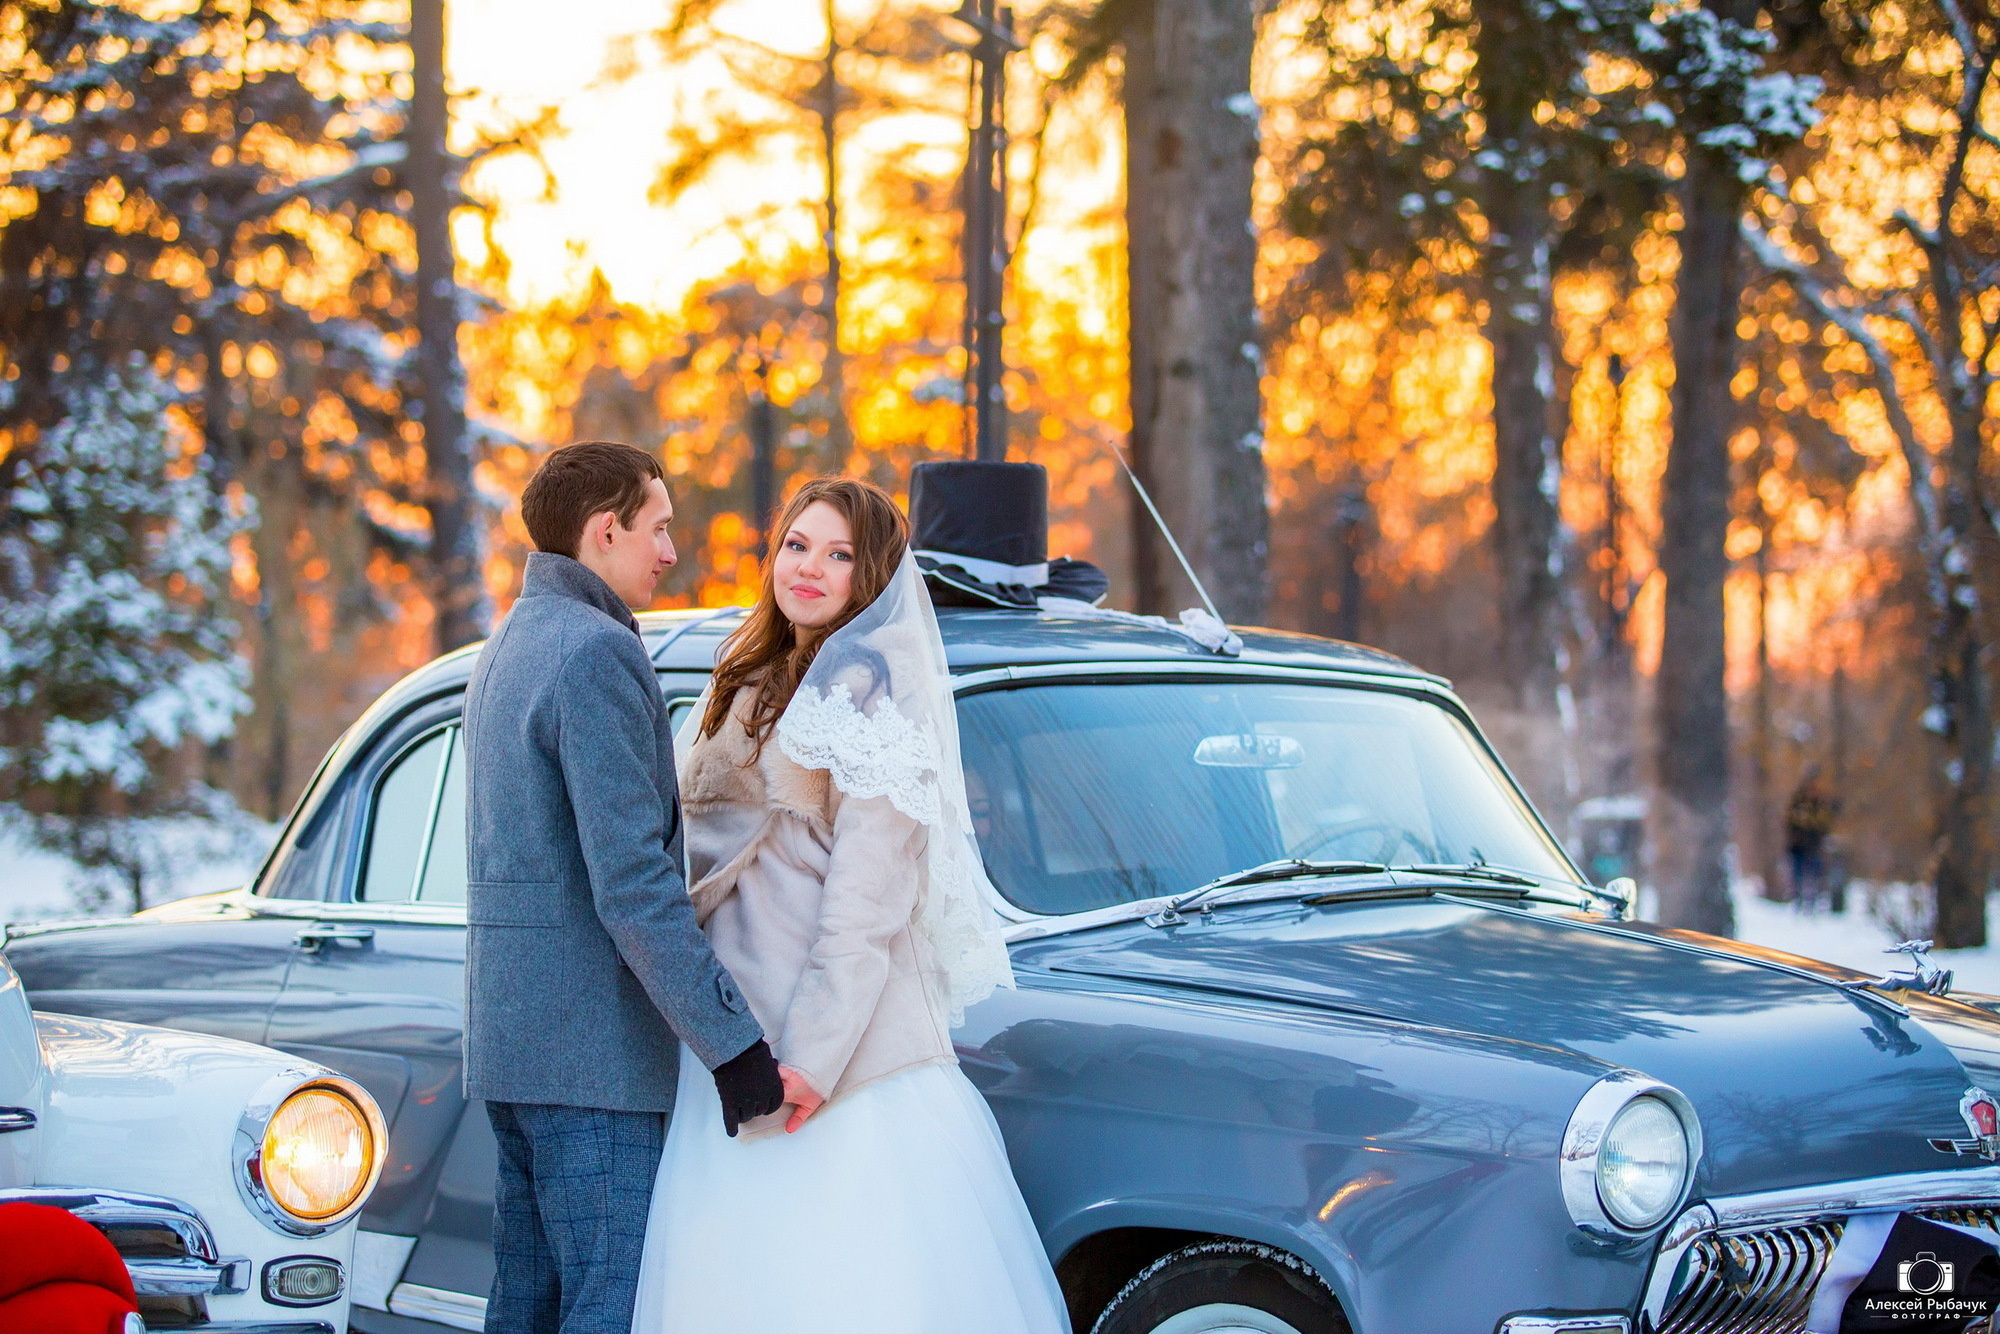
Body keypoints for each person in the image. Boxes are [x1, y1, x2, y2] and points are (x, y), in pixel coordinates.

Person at [630, 477, 1070, 1334]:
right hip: (728, 1034)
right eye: (798, 545)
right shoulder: (744, 676)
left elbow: (866, 903)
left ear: (869, 579)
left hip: (832, 1059)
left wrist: (811, 1061)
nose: (810, 568)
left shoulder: (879, 697)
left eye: (839, 556)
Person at [461, 441, 788, 1334]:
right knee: (610, 1306)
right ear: (606, 531)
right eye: (659, 527)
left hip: (517, 1047)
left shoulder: (509, 643)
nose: (670, 551)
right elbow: (634, 883)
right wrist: (733, 1048)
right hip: (592, 1059)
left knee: (525, 1306)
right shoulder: (595, 654)